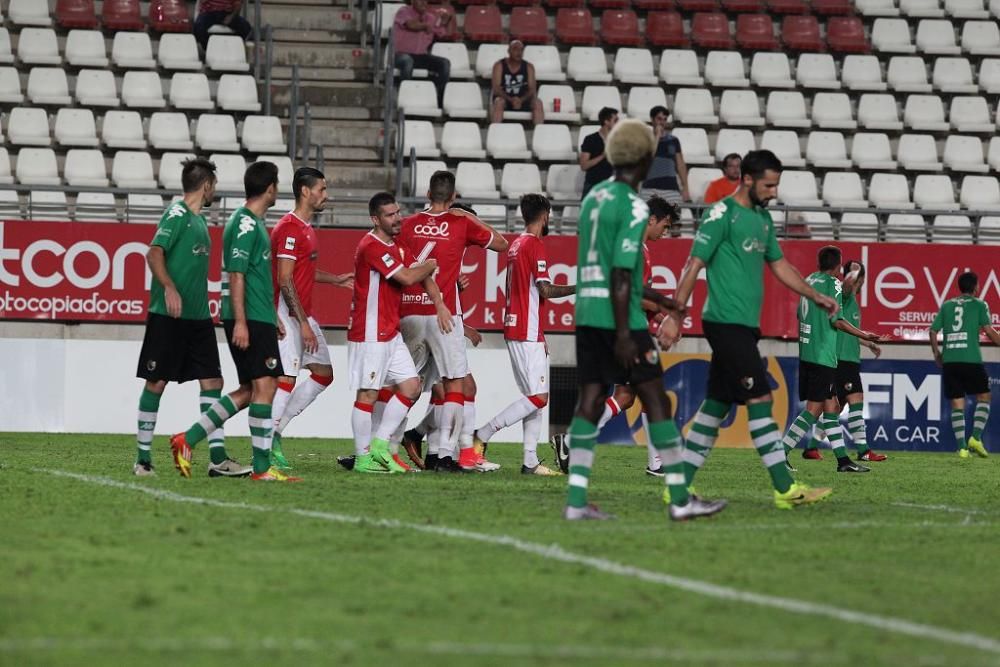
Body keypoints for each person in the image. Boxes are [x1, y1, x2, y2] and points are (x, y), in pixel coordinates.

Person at [563, 119, 726, 522]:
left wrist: (665, 301)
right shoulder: (634, 206)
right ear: (647, 159)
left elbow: (613, 272)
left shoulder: (594, 198)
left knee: (590, 400)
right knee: (657, 400)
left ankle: (576, 502)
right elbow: (621, 276)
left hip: (587, 311)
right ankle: (679, 498)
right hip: (619, 319)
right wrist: (624, 333)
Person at [660, 150, 836, 510]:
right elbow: (694, 264)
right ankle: (785, 488)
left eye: (776, 185)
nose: (773, 192)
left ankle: (676, 486)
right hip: (724, 323)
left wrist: (815, 294)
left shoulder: (762, 219)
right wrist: (676, 315)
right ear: (748, 179)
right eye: (769, 185)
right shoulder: (721, 213)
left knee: (715, 406)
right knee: (760, 398)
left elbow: (780, 264)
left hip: (743, 326)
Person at [170, 161, 296, 482]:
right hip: (247, 317)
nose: (277, 190)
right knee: (266, 386)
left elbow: (252, 276)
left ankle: (188, 439)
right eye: (277, 185)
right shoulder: (244, 224)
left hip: (257, 316)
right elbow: (236, 274)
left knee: (251, 389)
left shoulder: (250, 222)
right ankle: (263, 469)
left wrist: (271, 318)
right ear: (270, 188)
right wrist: (242, 321)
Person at [133, 158, 248, 478]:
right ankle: (142, 459)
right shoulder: (177, 214)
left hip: (198, 318)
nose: (216, 191)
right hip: (168, 315)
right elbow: (154, 252)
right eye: (215, 185)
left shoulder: (198, 221)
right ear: (207, 185)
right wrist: (168, 287)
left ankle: (218, 458)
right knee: (157, 381)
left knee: (213, 381)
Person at [548, 196, 679, 477]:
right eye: (665, 226)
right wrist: (664, 314)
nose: (665, 233)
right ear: (651, 220)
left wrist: (657, 317)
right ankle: (657, 464)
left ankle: (570, 442)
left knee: (627, 395)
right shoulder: (636, 250)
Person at [398, 171, 508, 472]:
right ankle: (446, 454)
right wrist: (466, 217)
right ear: (454, 197)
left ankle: (382, 446)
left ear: (427, 194)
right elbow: (501, 244)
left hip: (409, 310)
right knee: (456, 384)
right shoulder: (460, 222)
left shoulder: (407, 224)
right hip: (443, 313)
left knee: (406, 386)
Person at [473, 194, 576, 476]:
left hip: (520, 327)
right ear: (544, 216)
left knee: (534, 395)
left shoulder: (516, 245)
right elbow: (545, 290)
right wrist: (579, 287)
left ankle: (530, 460)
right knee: (539, 397)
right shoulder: (535, 246)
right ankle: (482, 432)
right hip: (527, 330)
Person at [348, 192, 447, 474]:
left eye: (398, 212)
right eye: (390, 215)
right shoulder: (371, 245)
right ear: (375, 219)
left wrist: (439, 304)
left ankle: (380, 445)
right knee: (367, 394)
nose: (397, 218)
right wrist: (429, 265)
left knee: (411, 386)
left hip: (389, 332)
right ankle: (361, 457)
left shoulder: (398, 246)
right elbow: (408, 276)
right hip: (369, 332)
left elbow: (421, 275)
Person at [268, 168, 354, 469]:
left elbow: (302, 272)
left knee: (323, 373)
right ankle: (266, 445)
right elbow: (285, 279)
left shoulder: (305, 228)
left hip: (302, 313)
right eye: (322, 189)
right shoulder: (290, 228)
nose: (325, 195)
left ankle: (275, 430)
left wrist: (335, 280)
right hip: (288, 314)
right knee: (287, 379)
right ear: (305, 191)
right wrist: (302, 322)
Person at [778, 247, 888, 473]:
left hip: (807, 352)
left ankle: (843, 461)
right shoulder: (833, 283)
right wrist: (864, 334)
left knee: (832, 407)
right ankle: (780, 453)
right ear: (838, 266)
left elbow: (800, 314)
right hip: (823, 355)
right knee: (813, 410)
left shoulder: (809, 280)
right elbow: (837, 320)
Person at [929, 271, 1000, 458]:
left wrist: (937, 353)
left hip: (950, 360)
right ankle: (975, 438)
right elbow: (989, 331)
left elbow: (933, 331)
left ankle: (961, 448)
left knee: (957, 403)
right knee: (984, 397)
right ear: (976, 287)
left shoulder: (947, 305)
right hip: (971, 359)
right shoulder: (980, 304)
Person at [393, 0, 451, 104]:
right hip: (400, 54)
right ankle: (405, 97)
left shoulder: (431, 17)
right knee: (407, 61)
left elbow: (441, 34)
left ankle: (437, 98)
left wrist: (443, 23)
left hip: (420, 56)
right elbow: (411, 25)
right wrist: (425, 26)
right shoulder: (404, 11)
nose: (423, 3)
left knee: (444, 63)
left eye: (425, 0)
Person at [639, 106, 688, 205]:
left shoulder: (673, 140)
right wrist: (657, 136)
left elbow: (680, 165)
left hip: (671, 188)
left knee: (671, 219)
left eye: (665, 119)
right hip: (649, 188)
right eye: (659, 119)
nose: (662, 122)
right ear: (652, 120)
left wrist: (685, 187)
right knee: (650, 220)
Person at [490, 40, 543, 126]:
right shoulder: (499, 65)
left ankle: (539, 134)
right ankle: (495, 132)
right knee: (499, 102)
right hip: (505, 100)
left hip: (523, 100)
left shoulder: (529, 67)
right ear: (509, 51)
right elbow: (496, 88)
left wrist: (520, 100)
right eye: (515, 49)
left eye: (521, 50)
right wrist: (511, 100)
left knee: (538, 103)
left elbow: (532, 89)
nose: (519, 52)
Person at [579, 107, 619, 198]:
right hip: (593, 185)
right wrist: (603, 155)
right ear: (606, 121)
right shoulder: (591, 139)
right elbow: (584, 165)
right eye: (615, 120)